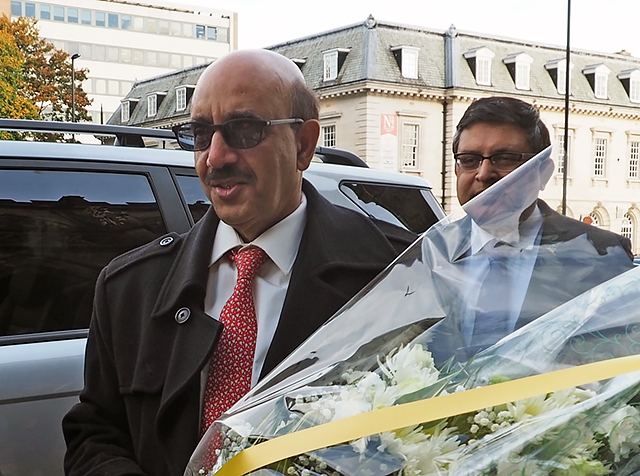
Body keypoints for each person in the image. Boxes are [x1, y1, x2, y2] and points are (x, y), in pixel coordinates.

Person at [62, 49, 415, 476]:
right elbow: (95, 433)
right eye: (199, 133)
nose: (215, 157)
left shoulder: (398, 273)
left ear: (304, 144)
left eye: (244, 129)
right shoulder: (129, 288)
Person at [423, 96, 634, 361]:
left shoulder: (601, 255)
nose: (484, 173)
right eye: (469, 159)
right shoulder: (431, 251)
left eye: (505, 158)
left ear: (543, 172)